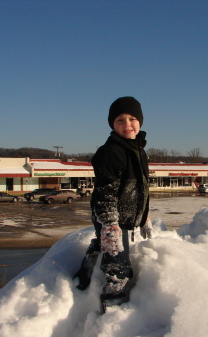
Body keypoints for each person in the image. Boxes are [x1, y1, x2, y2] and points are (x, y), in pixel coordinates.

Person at [74, 96, 152, 311]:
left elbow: (142, 189)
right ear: (112, 124)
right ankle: (112, 307)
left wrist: (145, 216)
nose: (127, 124)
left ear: (140, 122)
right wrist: (109, 226)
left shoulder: (139, 151)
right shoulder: (110, 152)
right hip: (110, 219)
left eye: (132, 118)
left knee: (110, 250)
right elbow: (105, 194)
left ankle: (88, 266)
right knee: (119, 268)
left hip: (124, 217)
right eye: (120, 120)